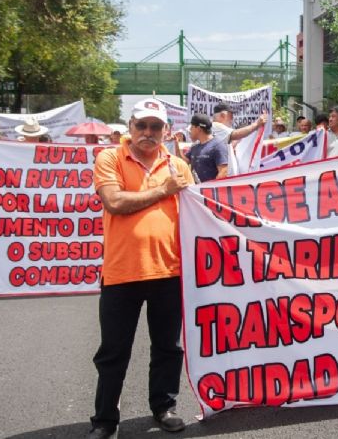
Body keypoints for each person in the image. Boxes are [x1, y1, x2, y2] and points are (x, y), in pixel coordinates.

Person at [88, 98, 194, 437]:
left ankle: (163, 407)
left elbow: (197, 214)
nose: (148, 133)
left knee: (168, 347)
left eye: (155, 127)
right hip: (122, 273)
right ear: (130, 128)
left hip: (170, 272)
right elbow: (114, 202)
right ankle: (105, 421)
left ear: (166, 130)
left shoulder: (179, 165)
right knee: (113, 351)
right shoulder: (109, 157)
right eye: (142, 126)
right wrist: (164, 190)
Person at [186, 114, 228, 183]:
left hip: (209, 192)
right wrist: (175, 144)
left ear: (199, 129)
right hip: (197, 191)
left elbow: (224, 172)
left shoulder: (218, 145)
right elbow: (184, 161)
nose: (190, 130)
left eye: (192, 127)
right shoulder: (195, 146)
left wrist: (210, 189)